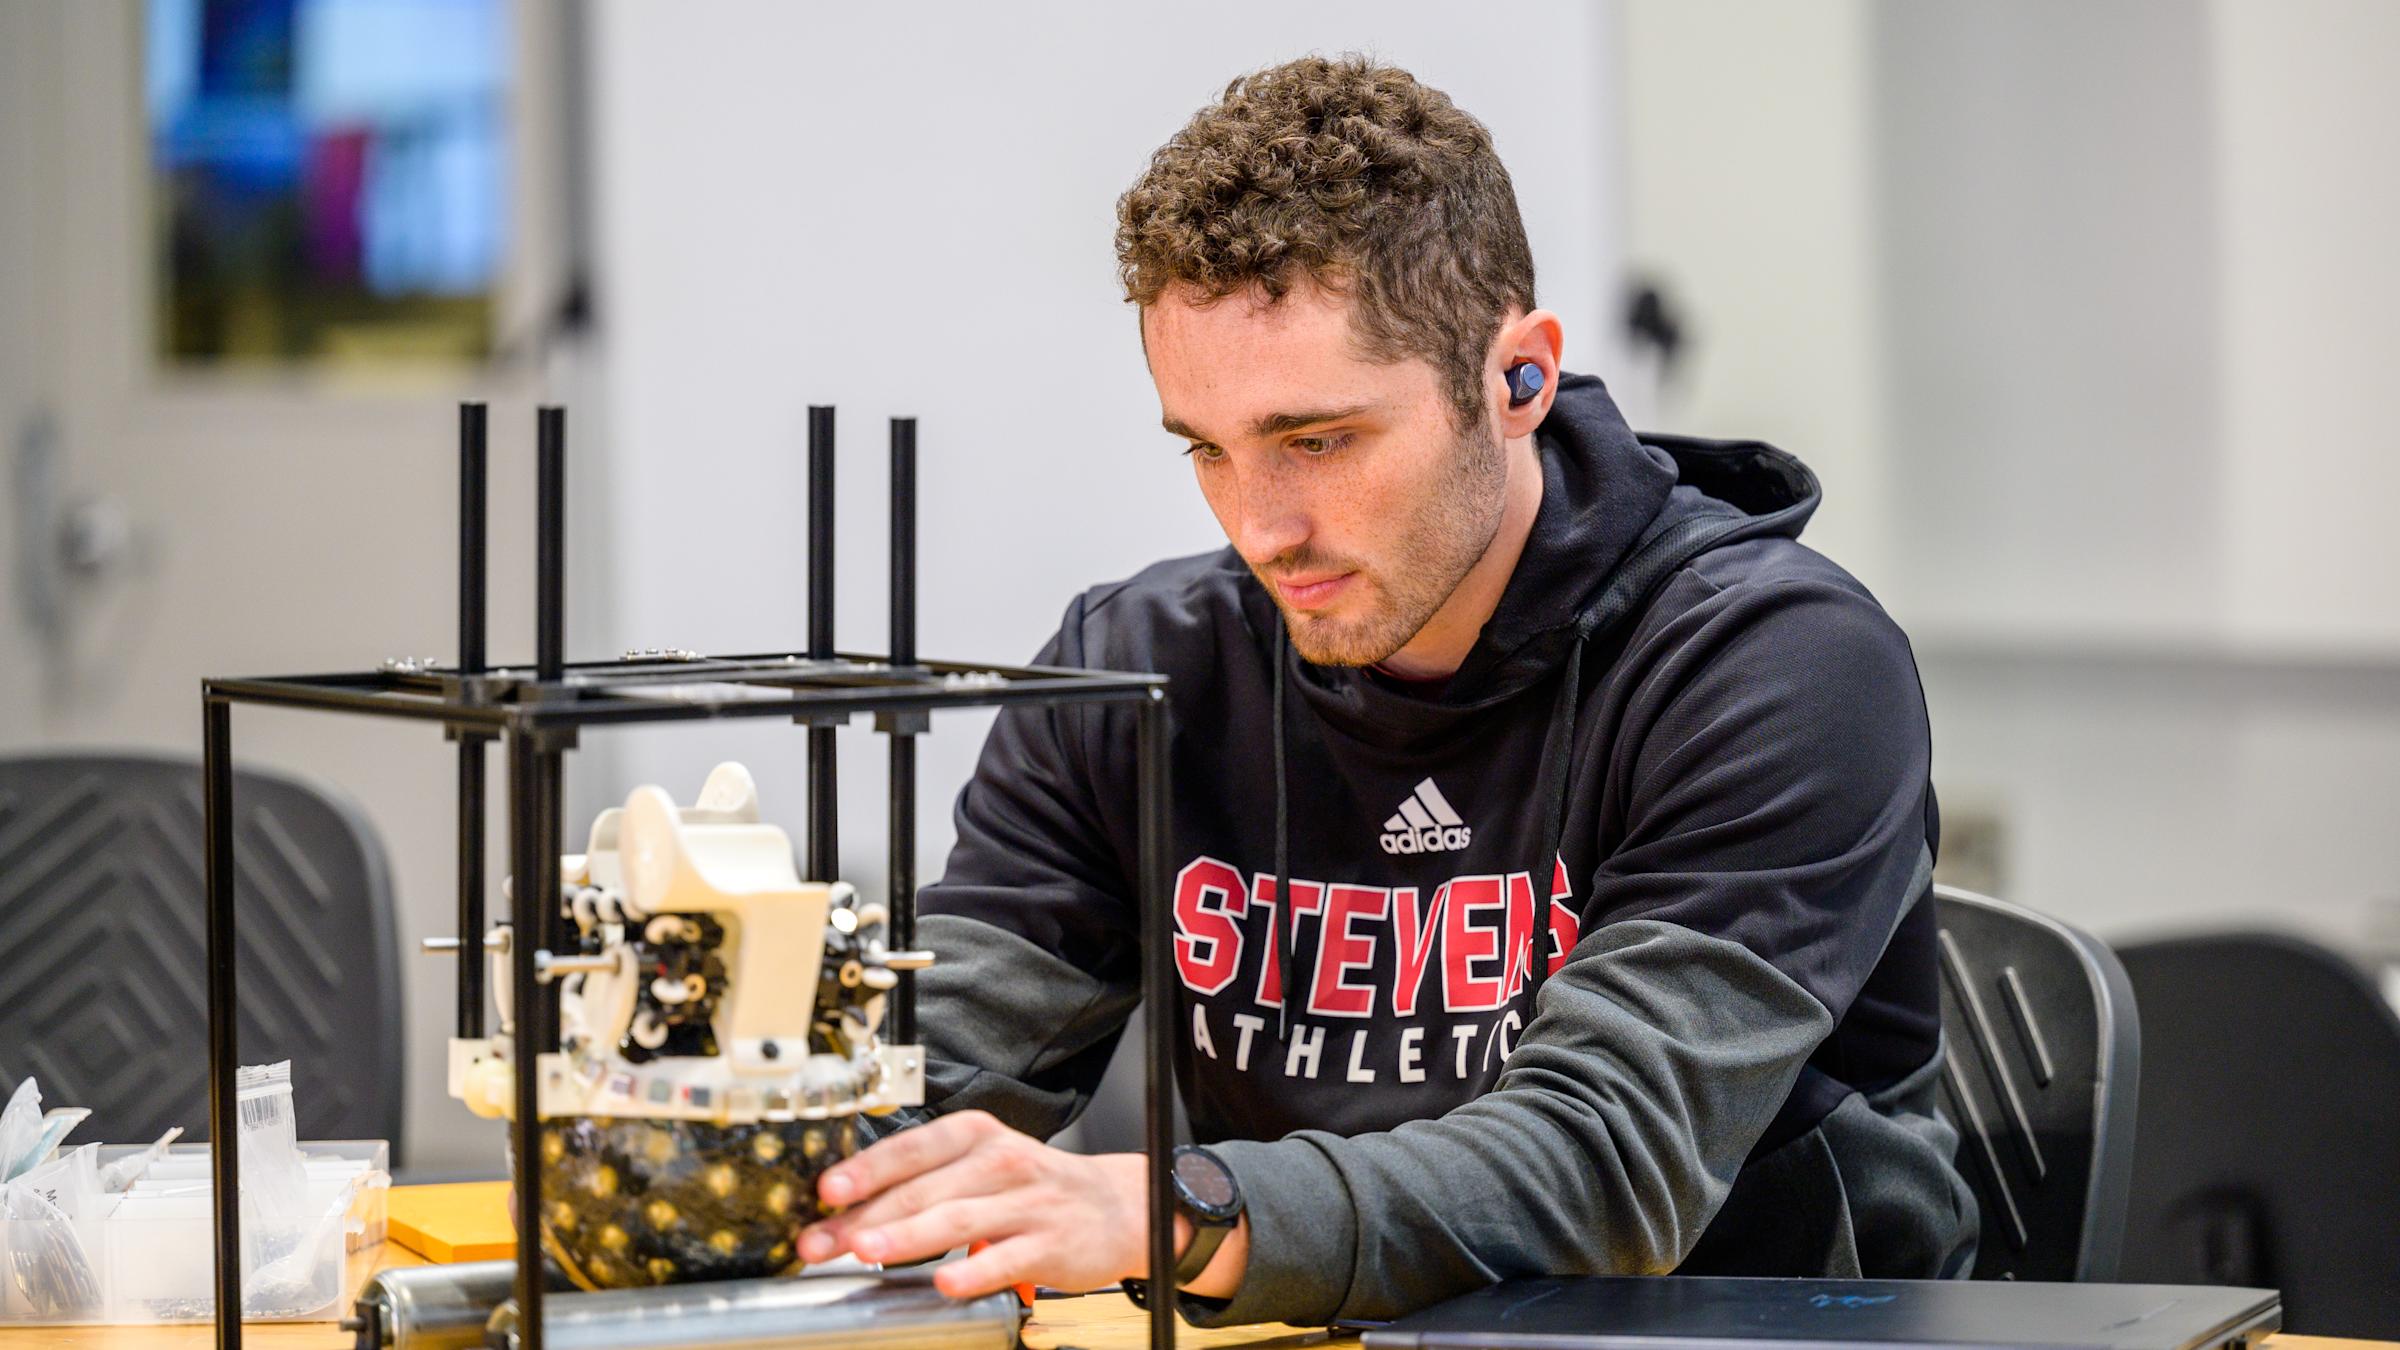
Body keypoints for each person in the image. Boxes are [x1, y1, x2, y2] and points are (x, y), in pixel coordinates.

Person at [795, 54, 1976, 1326]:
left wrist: (1174, 1210)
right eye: (1209, 449)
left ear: (1516, 377)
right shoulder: (1139, 664)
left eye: (1319, 442)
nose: (1264, 528)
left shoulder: (1778, 666)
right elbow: (925, 1080)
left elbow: (1604, 1165)